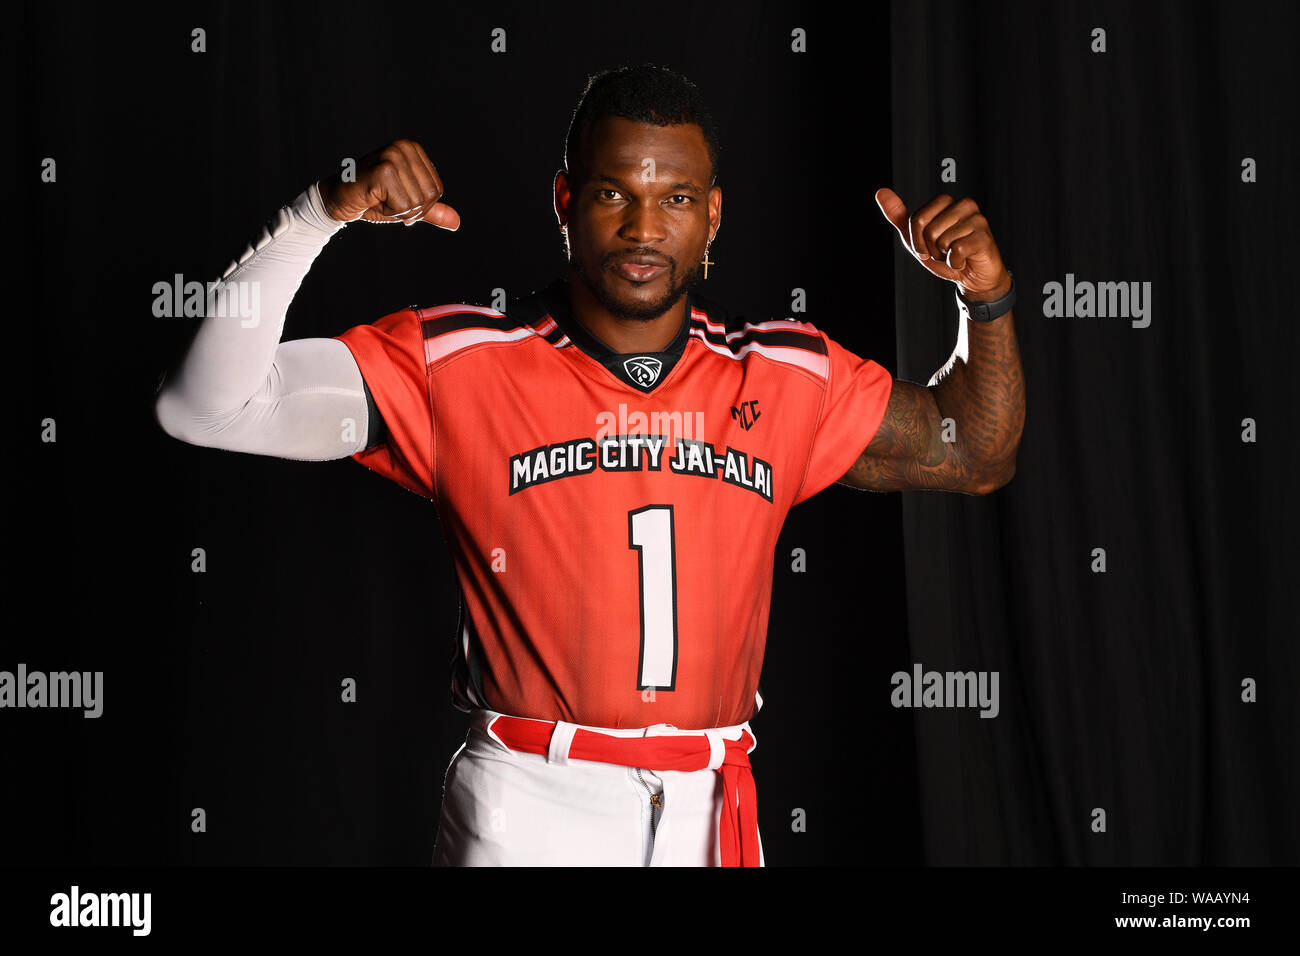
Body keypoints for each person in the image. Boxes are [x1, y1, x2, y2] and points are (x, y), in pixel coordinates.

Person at [153, 63, 1025, 866]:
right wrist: (318, 215)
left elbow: (977, 453)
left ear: (713, 215)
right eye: (614, 193)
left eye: (676, 197)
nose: (644, 228)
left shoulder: (782, 374)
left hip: (710, 806)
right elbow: (205, 406)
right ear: (565, 200)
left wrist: (983, 300)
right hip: (530, 802)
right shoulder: (462, 362)